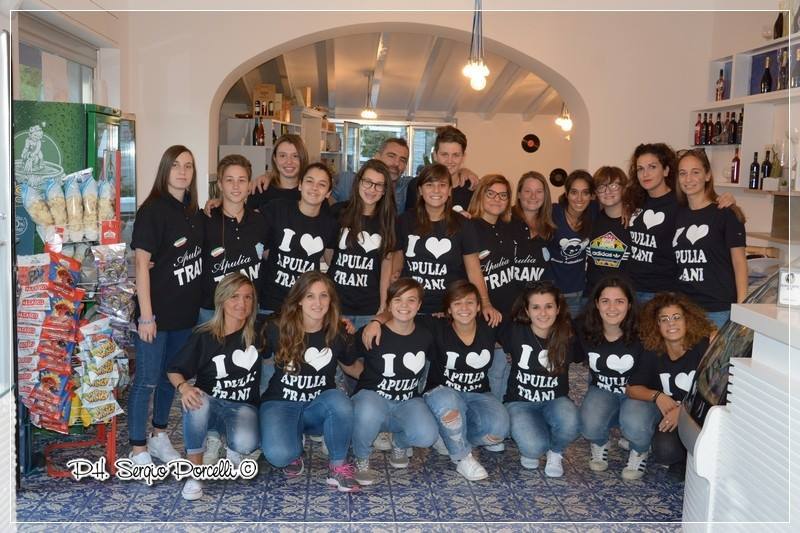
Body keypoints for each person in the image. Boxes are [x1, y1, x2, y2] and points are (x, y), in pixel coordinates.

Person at [128, 145, 203, 467]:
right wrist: (146, 316)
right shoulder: (153, 210)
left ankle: (159, 436)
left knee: (170, 377)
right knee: (146, 380)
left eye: (188, 166)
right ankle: (137, 448)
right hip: (154, 315)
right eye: (176, 165)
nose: (182, 172)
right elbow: (141, 264)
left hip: (184, 316)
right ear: (164, 170)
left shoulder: (194, 211)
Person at [258, 271, 362, 492]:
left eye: (323, 296)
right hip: (280, 403)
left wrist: (381, 383)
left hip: (317, 406)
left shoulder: (339, 332)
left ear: (331, 300)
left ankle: (338, 468)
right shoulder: (276, 327)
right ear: (298, 300)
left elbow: (352, 367)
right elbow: (256, 354)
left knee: (340, 402)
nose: (318, 303)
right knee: (280, 456)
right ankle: (293, 445)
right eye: (310, 296)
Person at [167, 273, 262, 500]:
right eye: (234, 297)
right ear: (221, 300)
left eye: (248, 297)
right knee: (195, 401)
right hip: (210, 403)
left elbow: (298, 323)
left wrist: (338, 323)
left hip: (243, 406)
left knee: (246, 444)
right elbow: (173, 369)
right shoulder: (204, 335)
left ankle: (226, 441)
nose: (242, 303)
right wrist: (184, 387)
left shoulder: (260, 331)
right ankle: (195, 474)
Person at [345, 278, 439, 485]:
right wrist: (365, 376)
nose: (404, 305)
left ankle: (399, 442)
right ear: (388, 304)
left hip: (407, 400)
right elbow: (346, 359)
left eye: (411, 300)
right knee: (368, 410)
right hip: (373, 398)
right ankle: (361, 457)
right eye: (398, 299)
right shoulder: (372, 332)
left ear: (419, 305)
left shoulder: (426, 334)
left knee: (427, 436)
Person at [623, 143, 736, 305]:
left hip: (661, 292)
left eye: (652, 167)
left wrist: (726, 199)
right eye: (640, 169)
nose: (645, 174)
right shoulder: (635, 199)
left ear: (666, 170)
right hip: (631, 289)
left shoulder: (680, 202)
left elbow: (705, 206)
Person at [421, 281, 510, 481]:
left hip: (478, 394)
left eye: (470, 302)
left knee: (498, 431)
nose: (464, 308)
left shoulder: (490, 326)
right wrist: (375, 323)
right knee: (449, 405)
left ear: (479, 306)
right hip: (441, 393)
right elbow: (403, 321)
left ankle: (449, 435)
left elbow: (521, 333)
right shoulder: (437, 326)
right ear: (448, 309)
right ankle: (463, 458)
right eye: (457, 303)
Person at [393, 163, 500, 325]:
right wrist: (389, 304)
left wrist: (485, 303)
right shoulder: (404, 221)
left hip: (449, 311)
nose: (436, 190)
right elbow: (396, 267)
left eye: (442, 185)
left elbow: (474, 270)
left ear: (450, 190)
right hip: (411, 310)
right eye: (429, 185)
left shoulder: (464, 224)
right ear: (420, 190)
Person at [625, 292, 714, 480]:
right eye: (664, 319)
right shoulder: (653, 349)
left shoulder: (704, 346)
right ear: (656, 325)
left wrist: (683, 410)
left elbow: (716, 392)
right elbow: (632, 388)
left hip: (701, 414)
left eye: (676, 317)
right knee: (665, 451)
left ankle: (691, 458)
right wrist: (658, 396)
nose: (671, 323)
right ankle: (678, 457)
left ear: (687, 320)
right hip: (670, 414)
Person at [498, 281, 580, 477]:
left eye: (549, 306)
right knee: (533, 449)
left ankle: (555, 452)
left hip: (555, 399)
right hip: (520, 402)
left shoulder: (568, 334)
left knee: (573, 423)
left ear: (558, 309)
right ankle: (533, 439)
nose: (543, 313)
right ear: (527, 311)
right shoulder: (514, 330)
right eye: (536, 307)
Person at [487, 171, 555, 402]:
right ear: (518, 194)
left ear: (545, 195)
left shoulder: (550, 228)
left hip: (533, 312)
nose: (533, 196)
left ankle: (517, 407)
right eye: (527, 190)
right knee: (498, 367)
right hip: (504, 308)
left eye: (539, 191)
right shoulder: (504, 221)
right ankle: (496, 410)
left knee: (525, 364)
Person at [576, 275, 645, 478]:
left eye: (619, 301)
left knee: (635, 425)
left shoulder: (644, 331)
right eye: (605, 301)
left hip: (638, 395)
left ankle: (639, 448)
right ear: (597, 304)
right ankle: (600, 442)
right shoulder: (583, 328)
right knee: (589, 426)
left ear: (629, 304)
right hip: (603, 390)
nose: (612, 308)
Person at [674, 149, 748, 328]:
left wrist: (742, 310)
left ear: (707, 175)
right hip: (684, 310)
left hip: (718, 310)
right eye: (683, 173)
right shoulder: (677, 214)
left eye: (695, 172)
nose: (688, 179)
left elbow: (739, 263)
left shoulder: (725, 214)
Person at [258, 162, 338, 314]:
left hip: (306, 306)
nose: (314, 188)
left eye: (322, 184)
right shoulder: (278, 208)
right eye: (309, 181)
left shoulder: (330, 224)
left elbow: (330, 260)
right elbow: (246, 217)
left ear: (328, 193)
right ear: (300, 185)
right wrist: (221, 202)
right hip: (271, 303)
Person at [198, 154, 268, 324]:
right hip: (212, 311)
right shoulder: (204, 219)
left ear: (249, 185)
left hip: (249, 309)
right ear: (220, 184)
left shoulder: (260, 221)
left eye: (242, 180)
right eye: (229, 180)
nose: (236, 186)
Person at [329, 159, 397, 329]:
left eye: (379, 185)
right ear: (358, 182)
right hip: (336, 305)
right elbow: (329, 253)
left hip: (369, 309)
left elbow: (386, 265)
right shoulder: (338, 212)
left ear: (384, 191)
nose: (372, 189)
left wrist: (383, 304)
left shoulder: (388, 221)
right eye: (368, 182)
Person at [548, 170, 595, 316]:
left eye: (585, 193)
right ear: (567, 194)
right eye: (574, 192)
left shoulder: (593, 212)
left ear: (591, 195)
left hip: (577, 292)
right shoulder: (553, 212)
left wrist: (626, 210)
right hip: (551, 292)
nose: (579, 198)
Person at [405, 126, 479, 212]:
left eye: (456, 155)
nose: (450, 161)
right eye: (444, 154)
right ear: (435, 156)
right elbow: (409, 218)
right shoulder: (416, 185)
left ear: (463, 157)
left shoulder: (473, 187)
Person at [584, 166, 632, 297]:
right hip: (592, 295)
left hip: (623, 296)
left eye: (614, 186)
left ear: (624, 189)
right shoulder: (591, 218)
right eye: (601, 187)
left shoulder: (634, 221)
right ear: (596, 192)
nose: (607, 191)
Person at [332, 137, 413, 213]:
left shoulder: (408, 187)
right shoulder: (347, 181)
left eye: (402, 160)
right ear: (377, 157)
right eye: (391, 156)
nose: (396, 163)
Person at [247, 134, 308, 208]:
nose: (289, 161)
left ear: (303, 159)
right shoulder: (259, 191)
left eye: (295, 156)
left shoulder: (311, 193)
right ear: (275, 159)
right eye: (282, 156)